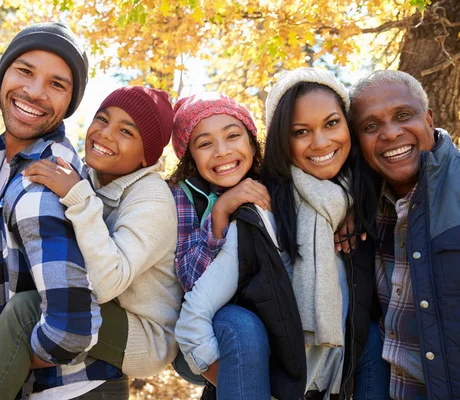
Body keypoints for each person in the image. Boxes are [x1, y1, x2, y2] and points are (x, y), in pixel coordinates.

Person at [0, 86, 183, 399]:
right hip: (106, 313)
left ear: (147, 155)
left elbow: (105, 284)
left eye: (126, 131)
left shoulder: (152, 197)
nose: (105, 134)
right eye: (102, 119)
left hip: (144, 335)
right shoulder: (90, 176)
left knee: (27, 310)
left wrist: (79, 196)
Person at [175, 68, 389, 400]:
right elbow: (193, 317)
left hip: (335, 386)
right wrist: (246, 383)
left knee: (373, 337)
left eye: (332, 123)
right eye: (301, 131)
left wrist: (347, 208)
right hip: (272, 383)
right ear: (281, 141)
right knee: (239, 323)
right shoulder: (262, 213)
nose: (320, 141)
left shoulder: (368, 200)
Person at [0, 22, 129, 400]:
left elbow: (71, 330)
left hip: (71, 390)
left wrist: (3, 363)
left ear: (69, 102)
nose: (34, 92)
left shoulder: (41, 184)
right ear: (2, 77)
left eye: (57, 84)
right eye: (25, 71)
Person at [349, 70, 460, 400]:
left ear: (428, 118)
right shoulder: (364, 206)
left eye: (403, 115)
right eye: (371, 126)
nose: (391, 133)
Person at [168, 93, 272, 399]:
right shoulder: (183, 195)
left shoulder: (273, 185)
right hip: (212, 330)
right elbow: (189, 278)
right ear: (190, 156)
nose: (222, 151)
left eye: (232, 136)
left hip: (274, 323)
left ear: (252, 142)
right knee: (240, 324)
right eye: (204, 143)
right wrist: (220, 211)